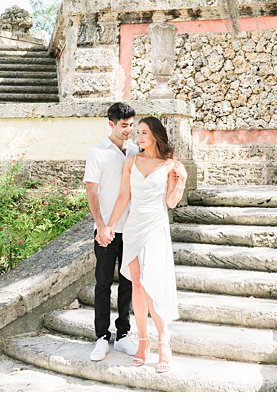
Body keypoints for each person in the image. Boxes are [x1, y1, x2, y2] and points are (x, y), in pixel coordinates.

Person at [103, 115, 187, 374]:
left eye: (144, 134)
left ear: (156, 136)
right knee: (137, 285)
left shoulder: (168, 164)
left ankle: (164, 340)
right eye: (137, 132)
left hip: (155, 226)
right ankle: (142, 340)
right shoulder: (132, 160)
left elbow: (171, 202)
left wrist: (180, 180)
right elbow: (123, 196)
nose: (138, 138)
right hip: (134, 226)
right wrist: (108, 225)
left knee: (151, 284)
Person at [83, 102, 141, 362]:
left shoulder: (136, 151)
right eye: (124, 125)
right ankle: (101, 338)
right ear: (111, 124)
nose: (128, 130)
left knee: (128, 283)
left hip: (131, 228)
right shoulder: (98, 153)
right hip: (106, 230)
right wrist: (100, 225)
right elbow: (91, 191)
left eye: (131, 125)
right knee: (103, 285)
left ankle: (124, 334)